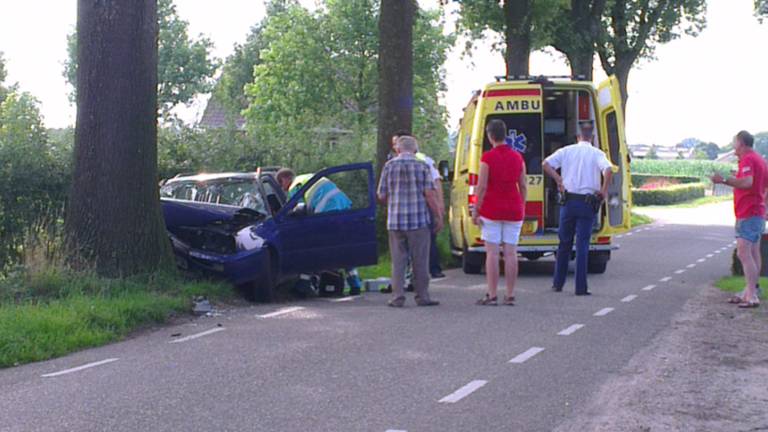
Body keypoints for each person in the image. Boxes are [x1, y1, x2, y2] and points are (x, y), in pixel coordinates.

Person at [543, 122, 613, 296]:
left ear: (577, 136)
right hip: (588, 204)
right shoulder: (597, 153)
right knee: (582, 245)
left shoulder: (566, 151)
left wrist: (559, 180)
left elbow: (545, 164)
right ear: (593, 137)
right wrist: (603, 192)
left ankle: (558, 283)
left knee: (564, 244)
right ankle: (580, 288)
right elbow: (609, 169)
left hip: (568, 202)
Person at [378, 135, 444, 307]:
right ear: (415, 150)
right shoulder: (422, 166)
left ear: (397, 149)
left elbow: (381, 195)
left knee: (398, 261)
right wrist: (438, 215)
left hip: (395, 221)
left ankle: (397, 297)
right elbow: (430, 194)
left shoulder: (388, 166)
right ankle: (422, 296)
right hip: (418, 221)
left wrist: (393, 202)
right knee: (420, 260)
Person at [471, 119, 527, 305]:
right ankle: (510, 294)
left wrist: (476, 209)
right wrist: (522, 205)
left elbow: (482, 186)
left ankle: (492, 294)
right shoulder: (518, 157)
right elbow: (523, 185)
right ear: (505, 134)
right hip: (514, 208)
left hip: (491, 210)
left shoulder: (487, 158)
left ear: (490, 136)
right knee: (511, 253)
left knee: (492, 253)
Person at [712, 130, 766, 308]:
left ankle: (751, 295)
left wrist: (725, 180)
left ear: (741, 143)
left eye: (734, 143)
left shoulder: (749, 160)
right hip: (756, 211)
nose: (733, 146)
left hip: (748, 212)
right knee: (753, 252)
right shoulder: (759, 160)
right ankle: (751, 290)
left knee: (743, 252)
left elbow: (748, 183)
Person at [288, 172, 362, 296]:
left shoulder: (294, 185)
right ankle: (355, 286)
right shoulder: (309, 177)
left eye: (282, 185)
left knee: (314, 248)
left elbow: (300, 207)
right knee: (345, 248)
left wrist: (290, 213)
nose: (284, 189)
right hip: (344, 207)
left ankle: (302, 287)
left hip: (327, 213)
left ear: (284, 180)